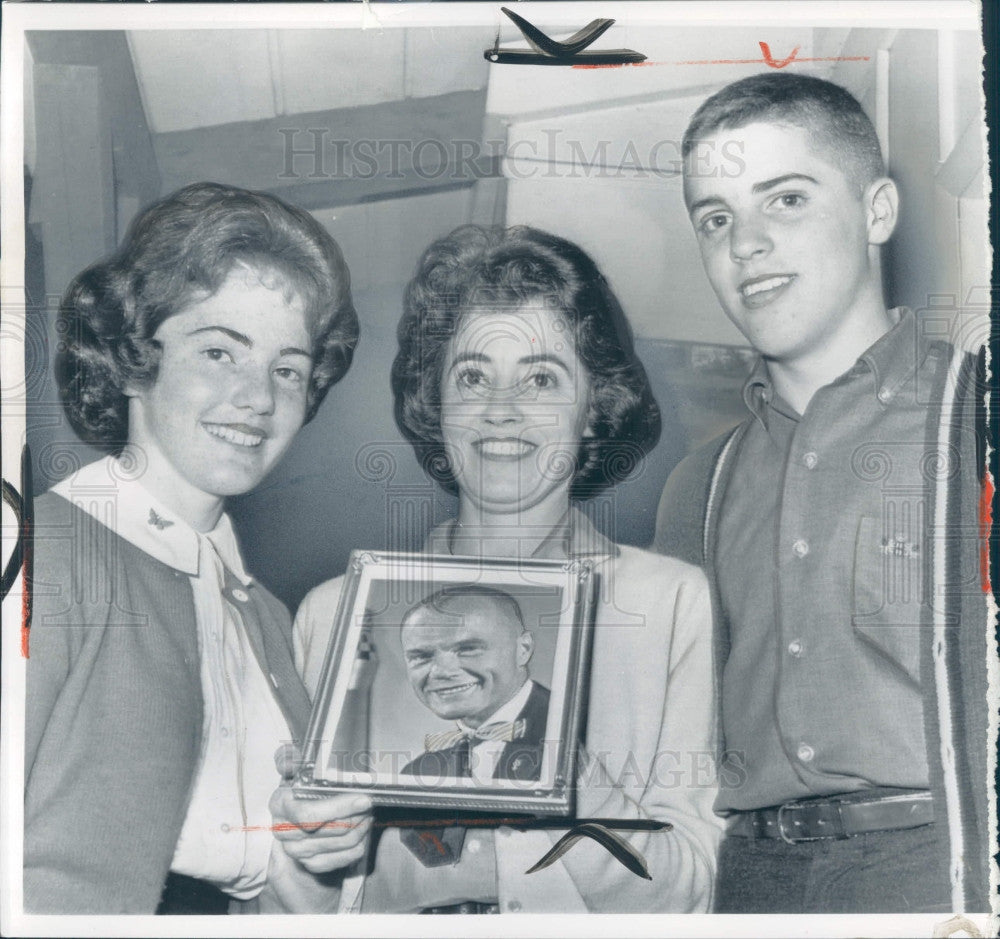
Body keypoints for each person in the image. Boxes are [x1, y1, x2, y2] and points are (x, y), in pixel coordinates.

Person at [295, 224, 724, 914]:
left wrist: (567, 772)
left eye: (542, 378)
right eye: (473, 376)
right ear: (436, 403)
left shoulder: (670, 605)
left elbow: (690, 893)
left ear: (593, 408)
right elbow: (282, 908)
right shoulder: (336, 614)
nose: (502, 409)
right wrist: (296, 844)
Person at [653, 73, 990, 913]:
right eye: (717, 217)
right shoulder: (697, 488)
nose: (747, 244)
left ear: (877, 211)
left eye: (787, 200)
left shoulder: (977, 420)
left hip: (941, 867)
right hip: (751, 880)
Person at [24, 182, 370, 914]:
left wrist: (314, 859)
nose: (259, 397)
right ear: (130, 358)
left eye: (288, 368)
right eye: (220, 350)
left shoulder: (264, 614)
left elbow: (270, 892)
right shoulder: (42, 552)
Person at [398, 585, 550, 783]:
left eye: (468, 649)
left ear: (523, 649)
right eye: (421, 657)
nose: (442, 672)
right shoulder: (417, 773)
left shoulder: (581, 737)